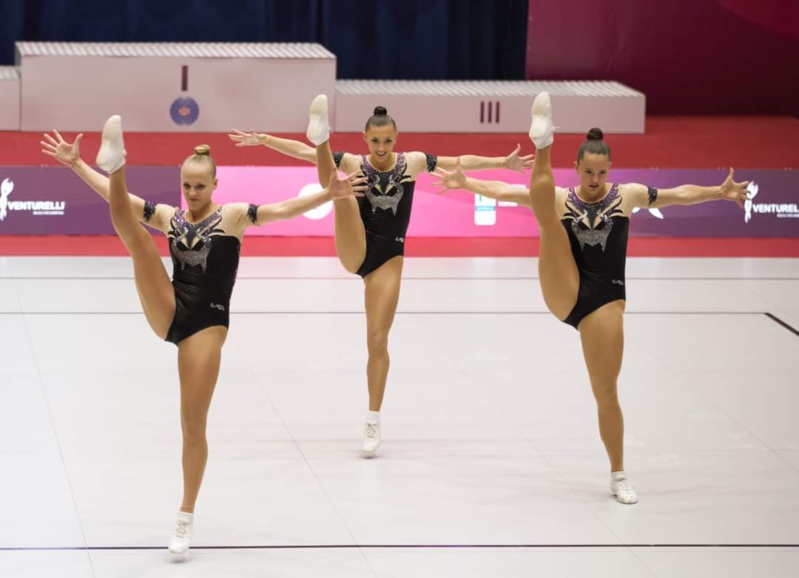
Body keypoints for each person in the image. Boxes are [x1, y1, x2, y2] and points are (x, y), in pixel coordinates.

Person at [41, 116, 364, 553]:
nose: (192, 193)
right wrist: (78, 165)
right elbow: (122, 203)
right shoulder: (170, 217)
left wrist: (328, 194)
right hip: (170, 308)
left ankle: (185, 513)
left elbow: (283, 208)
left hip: (207, 326)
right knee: (138, 240)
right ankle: (116, 163)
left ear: (214, 184)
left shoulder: (234, 216)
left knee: (192, 427)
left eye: (199, 186)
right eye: (186, 186)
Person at [432, 92, 750, 504]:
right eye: (587, 172)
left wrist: (718, 192)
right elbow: (508, 192)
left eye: (600, 172)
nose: (594, 179)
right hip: (564, 288)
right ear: (577, 167)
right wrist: (467, 183)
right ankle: (543, 143)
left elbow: (678, 194)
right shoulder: (564, 197)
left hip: (604, 301)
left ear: (609, 169)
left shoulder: (628, 195)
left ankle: (618, 474)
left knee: (606, 392)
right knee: (548, 218)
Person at [229, 96, 533, 457]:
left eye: (388, 141)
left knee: (377, 340)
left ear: (396, 138)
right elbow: (304, 154)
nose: (382, 147)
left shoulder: (413, 162)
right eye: (375, 141)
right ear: (365, 139)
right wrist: (265, 140)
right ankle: (321, 136)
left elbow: (459, 161)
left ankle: (373, 417)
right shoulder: (355, 163)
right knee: (340, 191)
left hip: (387, 258)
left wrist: (502, 163)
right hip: (356, 244)